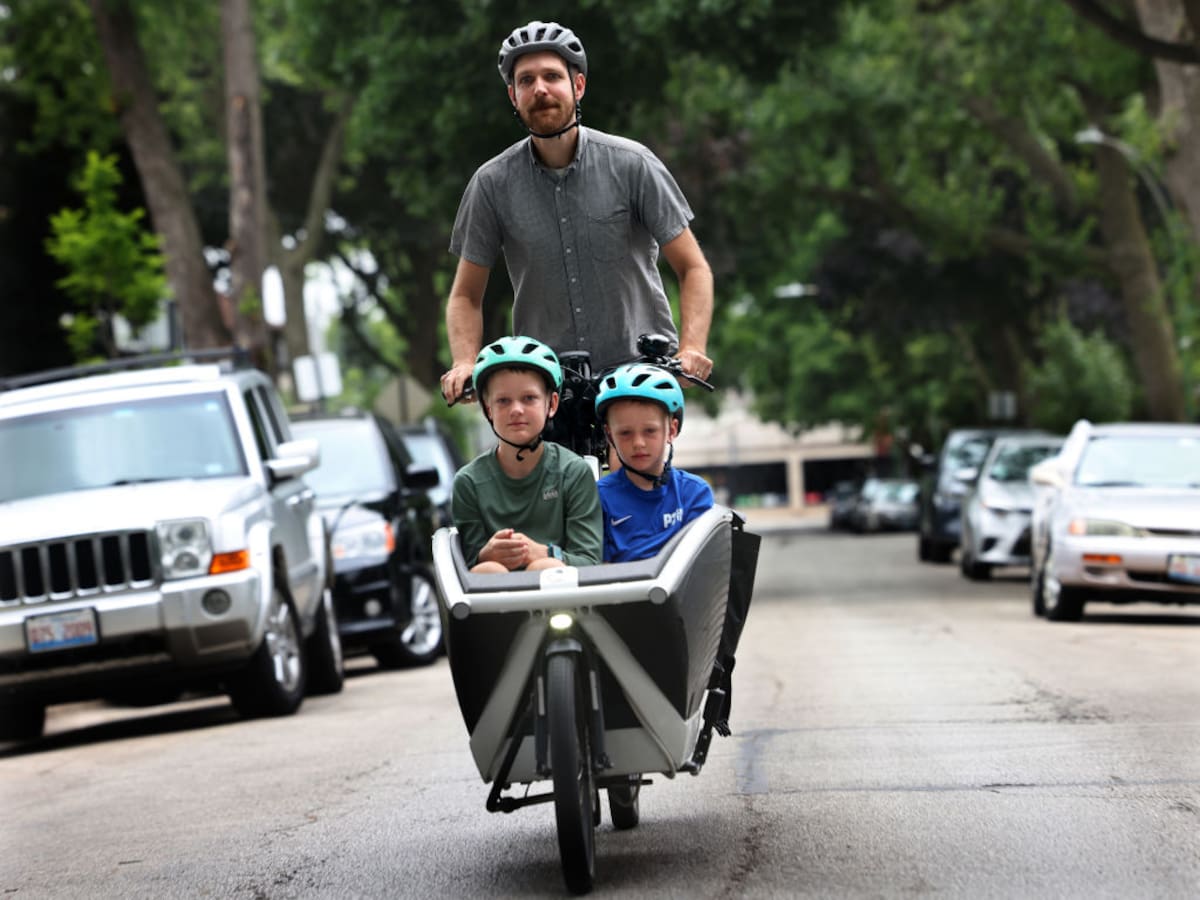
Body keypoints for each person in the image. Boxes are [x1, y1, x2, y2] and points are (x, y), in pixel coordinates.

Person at [440, 19, 715, 408]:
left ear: (578, 86)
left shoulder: (633, 165)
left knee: (636, 467)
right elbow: (466, 295)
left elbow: (693, 268)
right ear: (513, 97)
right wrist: (465, 362)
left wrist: (691, 348)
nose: (539, 88)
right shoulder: (491, 184)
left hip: (638, 374)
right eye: (525, 80)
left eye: (552, 76)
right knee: (545, 469)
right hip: (548, 385)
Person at [452, 335, 603, 573]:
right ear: (488, 409)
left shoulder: (574, 472)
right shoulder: (468, 482)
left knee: (546, 567)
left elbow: (590, 560)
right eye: (503, 401)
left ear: (552, 404)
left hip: (568, 600)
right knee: (488, 571)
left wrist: (544, 553)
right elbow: (464, 567)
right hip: (497, 599)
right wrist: (485, 554)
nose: (516, 410)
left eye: (529, 398)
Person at [594, 363, 713, 562]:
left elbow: (703, 565)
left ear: (672, 430)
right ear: (609, 436)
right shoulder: (599, 497)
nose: (638, 443)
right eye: (625, 433)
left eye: (650, 431)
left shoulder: (694, 493)